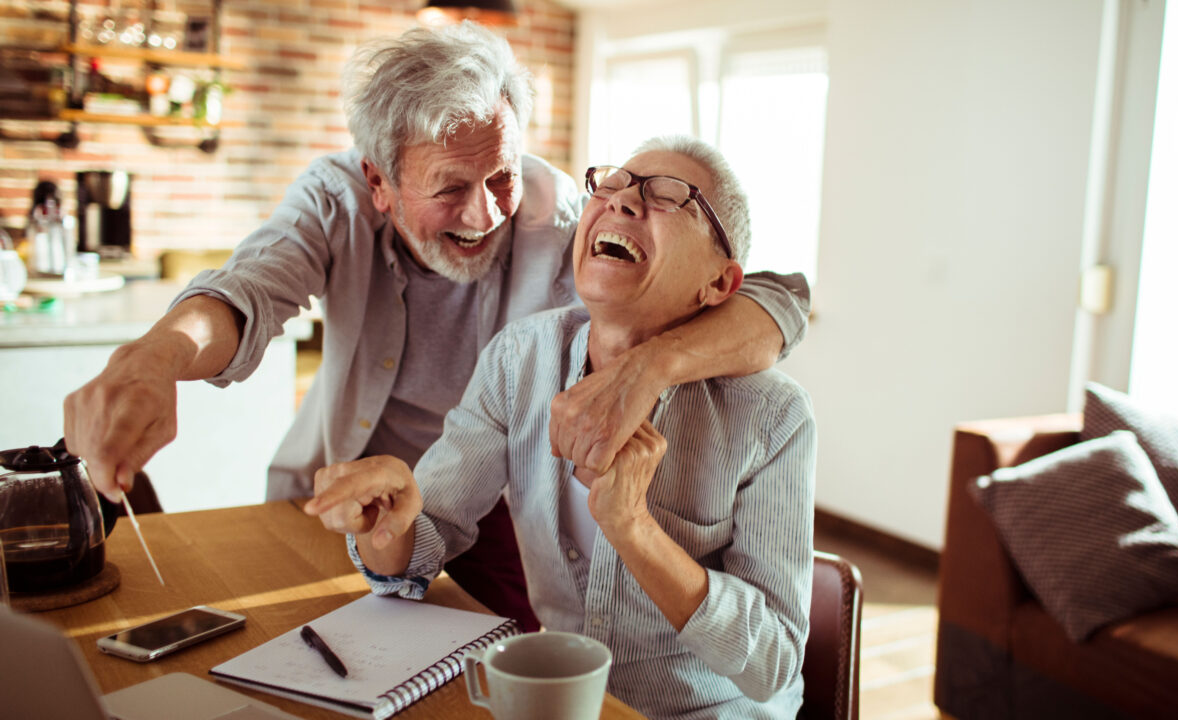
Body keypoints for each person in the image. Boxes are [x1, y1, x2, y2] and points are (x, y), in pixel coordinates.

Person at [61, 23, 808, 633]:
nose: (485, 214)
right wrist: (157, 356)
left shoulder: (568, 213)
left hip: (503, 518)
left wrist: (648, 369)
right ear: (379, 183)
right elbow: (248, 291)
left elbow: (776, 298)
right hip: (359, 505)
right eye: (449, 187)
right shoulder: (337, 201)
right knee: (308, 643)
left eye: (501, 176)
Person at [307, 136, 816, 719]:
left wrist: (633, 529)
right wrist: (388, 522)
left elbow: (773, 662)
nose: (623, 202)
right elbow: (427, 540)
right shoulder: (519, 358)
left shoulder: (773, 415)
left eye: (671, 197)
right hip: (562, 703)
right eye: (615, 184)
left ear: (721, 285)